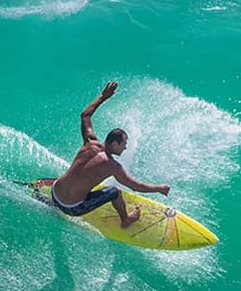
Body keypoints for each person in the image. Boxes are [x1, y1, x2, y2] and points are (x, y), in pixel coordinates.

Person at [51, 81, 170, 228]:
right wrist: (159, 188)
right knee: (114, 192)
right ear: (114, 144)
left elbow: (85, 116)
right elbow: (135, 186)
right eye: (124, 144)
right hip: (71, 208)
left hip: (54, 194)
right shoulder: (113, 166)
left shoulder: (89, 143)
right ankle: (126, 220)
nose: (125, 148)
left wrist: (103, 97)